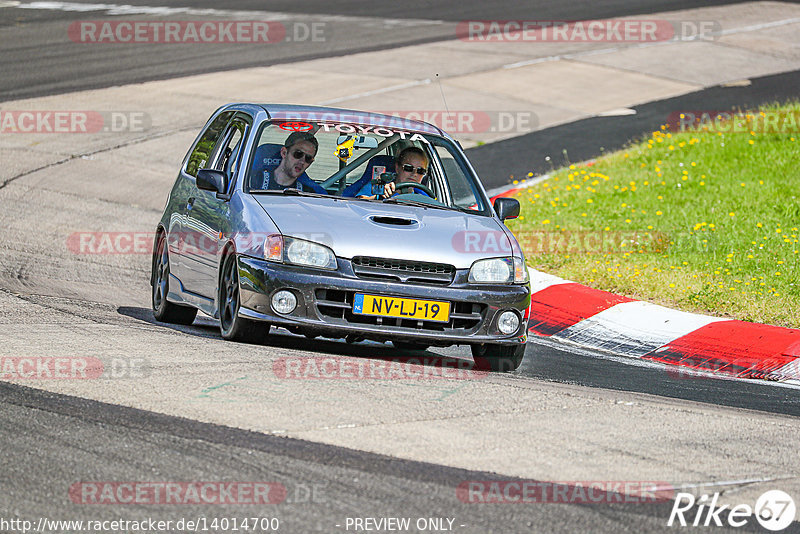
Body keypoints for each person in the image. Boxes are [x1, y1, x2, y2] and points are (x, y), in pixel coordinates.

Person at [257, 131, 326, 193]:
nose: (302, 161)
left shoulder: (308, 194)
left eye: (308, 158)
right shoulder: (253, 181)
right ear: (284, 153)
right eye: (298, 154)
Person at [361, 147, 431, 199]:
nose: (414, 174)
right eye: (408, 168)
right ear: (397, 168)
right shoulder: (379, 185)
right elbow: (359, 201)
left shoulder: (423, 195)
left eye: (420, 171)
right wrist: (379, 196)